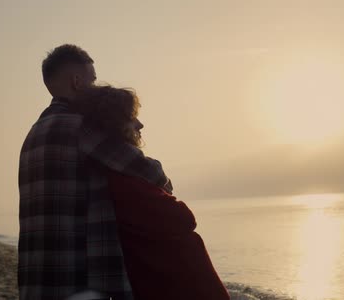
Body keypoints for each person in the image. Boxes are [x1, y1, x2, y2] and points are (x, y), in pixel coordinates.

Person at [18, 44, 173, 300]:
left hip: (36, 279)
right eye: (92, 79)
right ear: (77, 82)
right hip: (76, 282)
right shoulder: (80, 128)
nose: (95, 86)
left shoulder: (33, 134)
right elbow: (152, 174)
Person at [72, 86, 230, 300]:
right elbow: (182, 218)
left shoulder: (119, 172)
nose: (140, 124)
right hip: (170, 282)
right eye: (131, 118)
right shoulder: (123, 178)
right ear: (114, 125)